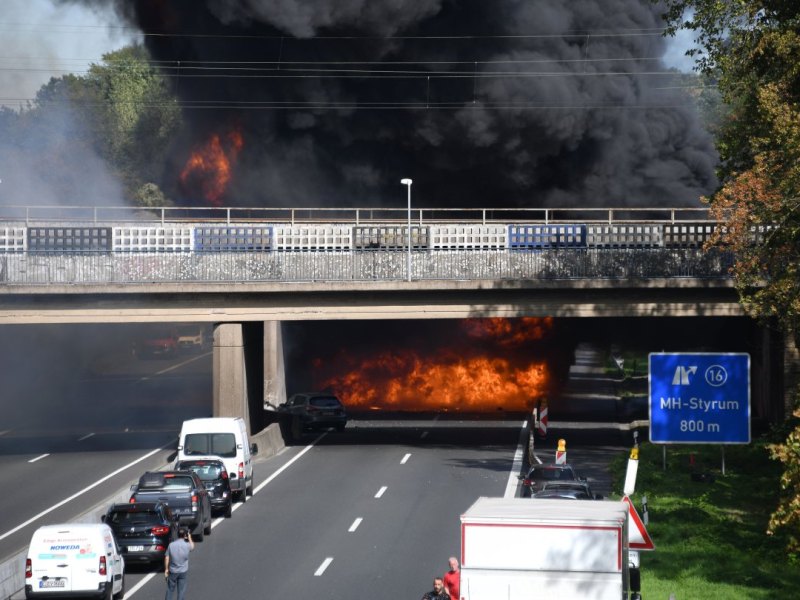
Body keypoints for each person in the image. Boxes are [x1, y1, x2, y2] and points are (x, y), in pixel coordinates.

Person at [164, 528, 194, 600]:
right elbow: (192, 546)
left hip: (173, 571)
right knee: (181, 591)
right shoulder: (187, 545)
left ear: (177, 535)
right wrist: (189, 537)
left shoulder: (171, 545)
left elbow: (166, 558)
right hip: (183, 571)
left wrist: (166, 569)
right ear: (184, 535)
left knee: (170, 589)